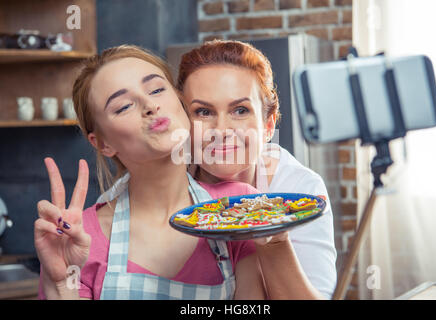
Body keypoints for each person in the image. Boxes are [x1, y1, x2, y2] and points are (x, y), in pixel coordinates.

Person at [34, 45, 267, 300]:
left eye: (157, 89)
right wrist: (60, 286)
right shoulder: (79, 239)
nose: (150, 105)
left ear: (180, 102)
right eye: (123, 106)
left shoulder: (236, 207)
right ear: (103, 144)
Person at [176, 40, 337, 299]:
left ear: (269, 125)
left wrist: (273, 236)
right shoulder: (162, 182)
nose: (222, 131)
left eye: (240, 110)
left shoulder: (300, 190)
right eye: (203, 112)